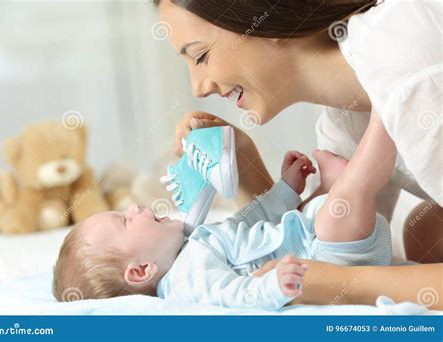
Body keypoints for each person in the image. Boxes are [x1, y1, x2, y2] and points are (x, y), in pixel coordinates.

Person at [152, 0, 442, 308]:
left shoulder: (408, 58)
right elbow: (321, 243)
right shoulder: (343, 118)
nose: (198, 88)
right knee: (426, 232)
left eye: (201, 56)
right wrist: (243, 159)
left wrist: (338, 285)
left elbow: (330, 271)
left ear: (262, 17)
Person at [52, 143, 393, 309]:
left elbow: (250, 221)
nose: (134, 207)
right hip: (330, 259)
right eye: (125, 220)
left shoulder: (189, 244)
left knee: (326, 209)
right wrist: (274, 287)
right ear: (141, 270)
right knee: (343, 203)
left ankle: (331, 188)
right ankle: (381, 130)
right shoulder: (187, 281)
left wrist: (286, 189)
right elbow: (236, 298)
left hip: (310, 233)